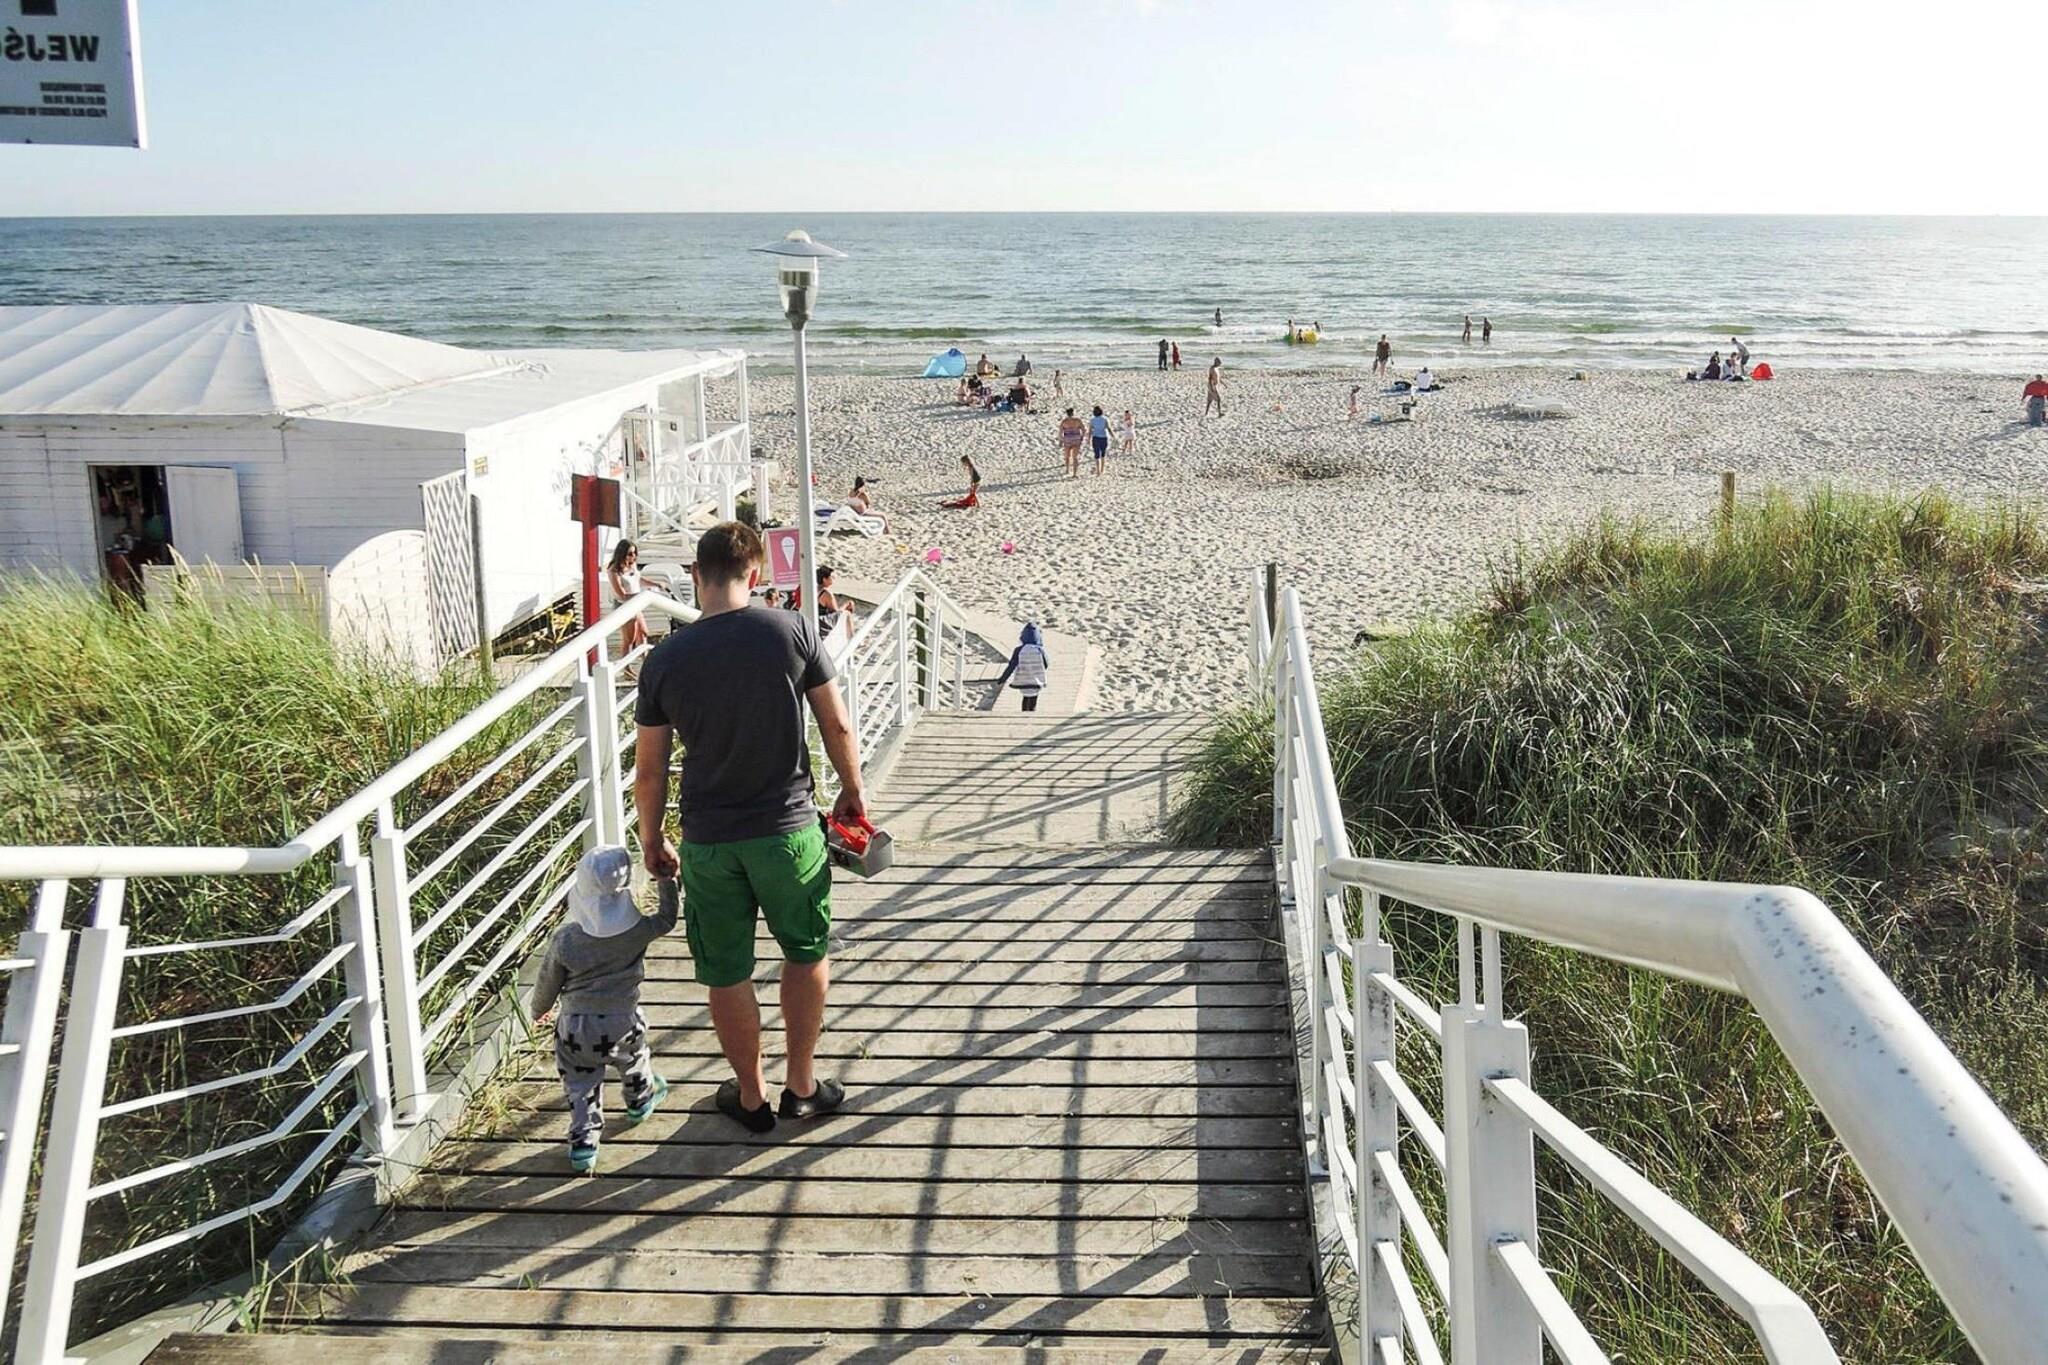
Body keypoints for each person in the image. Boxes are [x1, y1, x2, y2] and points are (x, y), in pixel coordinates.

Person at [633, 521, 862, 1134]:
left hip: (709, 842)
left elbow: (649, 771)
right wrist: (852, 790)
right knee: (805, 952)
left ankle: (753, 1098)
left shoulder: (665, 658)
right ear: (755, 574)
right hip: (788, 831)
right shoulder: (792, 630)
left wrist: (651, 839)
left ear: (695, 575)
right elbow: (837, 725)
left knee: (727, 970)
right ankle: (802, 1086)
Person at [531, 846, 679, 1172]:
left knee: (581, 1084)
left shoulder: (566, 939)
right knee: (634, 1059)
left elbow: (548, 983)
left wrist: (539, 1010)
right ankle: (640, 1101)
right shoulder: (637, 930)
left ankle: (584, 1146)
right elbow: (667, 919)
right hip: (623, 1021)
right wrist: (666, 880)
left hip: (575, 1027)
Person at [994, 623, 1050, 712]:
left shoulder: (1019, 650)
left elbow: (1011, 666)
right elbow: (1046, 664)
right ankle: (1032, 715)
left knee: (1025, 698)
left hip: (1023, 680)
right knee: (1033, 699)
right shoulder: (1040, 650)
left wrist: (1002, 679)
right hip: (1036, 680)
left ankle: (1023, 714)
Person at [606, 539, 647, 657]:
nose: (633, 556)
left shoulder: (632, 565)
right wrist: (641, 596)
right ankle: (626, 665)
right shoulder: (614, 570)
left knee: (643, 633)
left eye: (635, 553)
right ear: (622, 554)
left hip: (636, 603)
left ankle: (645, 661)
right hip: (624, 605)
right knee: (629, 639)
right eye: (630, 554)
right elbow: (622, 595)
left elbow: (638, 579)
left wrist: (656, 584)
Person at [1058, 408, 1086, 477]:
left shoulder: (1064, 421)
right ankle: (1074, 473)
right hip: (1076, 439)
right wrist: (1082, 437)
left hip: (1067, 440)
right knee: (1075, 457)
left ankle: (1067, 470)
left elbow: (1060, 432)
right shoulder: (1077, 421)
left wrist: (1061, 441)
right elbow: (1083, 430)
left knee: (1067, 456)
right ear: (1073, 413)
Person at [1088, 404, 1113, 474]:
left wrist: (1088, 439)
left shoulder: (1092, 420)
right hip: (1103, 437)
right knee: (1103, 454)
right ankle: (1102, 469)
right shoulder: (1105, 419)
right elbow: (1109, 428)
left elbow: (1090, 430)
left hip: (1095, 437)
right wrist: (1113, 436)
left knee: (1097, 454)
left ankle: (1098, 471)